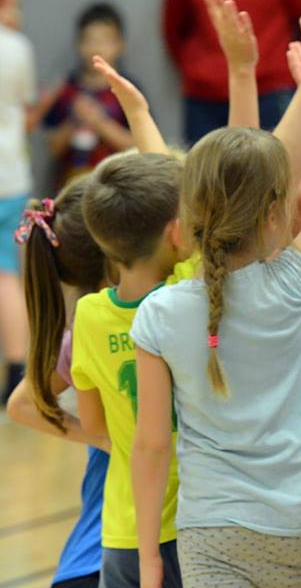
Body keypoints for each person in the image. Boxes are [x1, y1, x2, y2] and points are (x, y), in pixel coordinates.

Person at [130, 0, 301, 587]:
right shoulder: (293, 283)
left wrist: (151, 555)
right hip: (299, 523)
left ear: (187, 213)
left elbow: (153, 445)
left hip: (210, 530)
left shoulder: (158, 313)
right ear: (277, 212)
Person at [71, 151, 187, 588]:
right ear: (176, 233)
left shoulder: (89, 315)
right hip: (196, 517)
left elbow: (93, 423)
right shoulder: (188, 290)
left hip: (127, 525)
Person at [6, 177, 111, 588]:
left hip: (92, 561)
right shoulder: (102, 334)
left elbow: (21, 405)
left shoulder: (83, 334)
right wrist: (102, 438)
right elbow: (22, 405)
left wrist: (96, 436)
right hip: (110, 555)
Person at [163, 0, 301, 142]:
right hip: (205, 97)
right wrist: (199, 70)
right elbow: (174, 27)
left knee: (277, 168)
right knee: (204, 170)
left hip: (271, 91)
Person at [43, 3, 135, 189]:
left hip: (116, 188)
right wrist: (75, 120)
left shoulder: (128, 90)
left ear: (120, 45)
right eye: (90, 40)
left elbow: (138, 146)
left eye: (105, 40)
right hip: (71, 186)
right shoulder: (66, 89)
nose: (97, 47)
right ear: (79, 44)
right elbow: (52, 147)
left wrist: (100, 123)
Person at [0, 0, 35, 405]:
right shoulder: (16, 47)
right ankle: (17, 378)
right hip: (12, 176)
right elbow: (24, 111)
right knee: (9, 276)